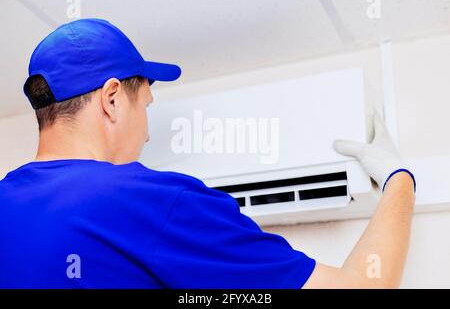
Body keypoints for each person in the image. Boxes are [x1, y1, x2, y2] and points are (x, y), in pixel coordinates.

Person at [0, 18, 415, 288]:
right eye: (146, 105)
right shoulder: (151, 201)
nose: (145, 136)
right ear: (111, 99)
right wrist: (398, 179)